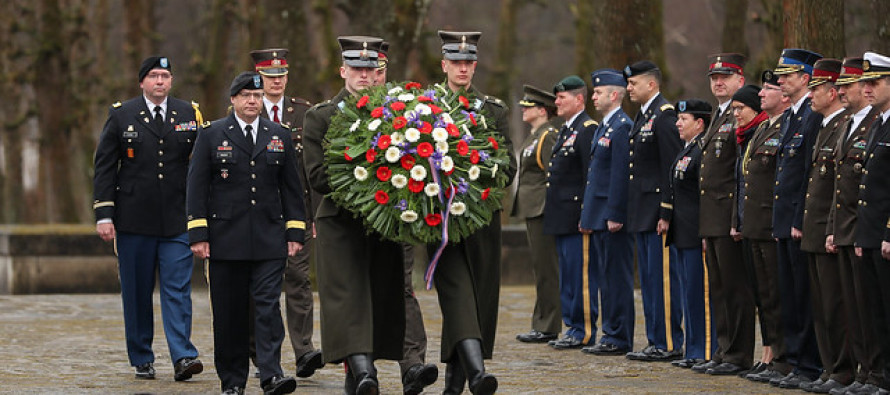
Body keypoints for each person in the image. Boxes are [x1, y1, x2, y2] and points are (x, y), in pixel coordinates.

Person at [187, 72, 303, 395]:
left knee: (268, 308)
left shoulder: (278, 134)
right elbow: (196, 187)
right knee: (229, 312)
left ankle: (271, 374)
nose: (252, 101)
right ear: (234, 100)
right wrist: (198, 232)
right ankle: (233, 380)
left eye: (257, 96)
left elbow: (292, 188)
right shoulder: (211, 135)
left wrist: (295, 231)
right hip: (226, 240)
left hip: (269, 239)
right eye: (245, 96)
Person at [302, 36, 407, 395]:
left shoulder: (397, 113)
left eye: (370, 68)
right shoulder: (321, 116)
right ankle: (363, 372)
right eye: (357, 68)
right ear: (343, 70)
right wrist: (367, 175)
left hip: (385, 222)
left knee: (380, 296)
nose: (364, 74)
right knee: (345, 298)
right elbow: (316, 175)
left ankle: (361, 375)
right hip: (340, 221)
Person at [92, 56, 203, 382]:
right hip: (133, 221)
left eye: (165, 75)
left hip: (176, 219)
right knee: (137, 292)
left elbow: (200, 166)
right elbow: (105, 166)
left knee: (178, 290)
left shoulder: (188, 113)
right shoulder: (121, 114)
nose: (160, 81)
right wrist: (104, 214)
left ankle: (183, 356)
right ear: (142, 82)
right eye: (153, 76)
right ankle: (142, 357)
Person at [433, 30, 516, 395]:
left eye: (469, 63)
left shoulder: (492, 110)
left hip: (481, 216)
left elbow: (509, 166)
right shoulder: (426, 107)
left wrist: (480, 171)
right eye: (457, 62)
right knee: (456, 292)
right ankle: (477, 373)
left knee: (480, 297)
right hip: (441, 218)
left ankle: (455, 384)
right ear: (444, 65)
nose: (463, 68)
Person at [369, 39, 440, 395]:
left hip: (397, 212)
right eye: (367, 69)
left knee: (404, 288)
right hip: (358, 218)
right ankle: (361, 365)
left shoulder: (404, 109)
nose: (374, 76)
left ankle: (413, 364)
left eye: (379, 69)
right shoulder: (339, 110)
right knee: (360, 291)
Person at [249, 48, 324, 379]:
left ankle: (304, 349)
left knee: (298, 279)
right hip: (258, 214)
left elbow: (313, 169)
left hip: (297, 212)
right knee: (259, 285)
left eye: (281, 76)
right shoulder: (246, 109)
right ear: (259, 76)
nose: (276, 81)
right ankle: (258, 350)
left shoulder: (304, 113)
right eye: (269, 76)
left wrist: (315, 215)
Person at [691, 54, 756, 376]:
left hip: (727, 213)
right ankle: (723, 348)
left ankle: (738, 353)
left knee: (735, 287)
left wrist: (735, 219)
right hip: (711, 215)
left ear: (740, 81)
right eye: (714, 77)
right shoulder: (719, 115)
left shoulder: (742, 116)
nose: (718, 82)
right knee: (718, 286)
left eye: (725, 77)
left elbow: (737, 173)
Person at [825, 57, 883, 395]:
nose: (844, 91)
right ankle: (863, 371)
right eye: (843, 86)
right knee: (852, 307)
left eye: (849, 85)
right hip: (846, 228)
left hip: (865, 229)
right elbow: (836, 185)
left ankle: (874, 372)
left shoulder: (873, 123)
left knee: (868, 307)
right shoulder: (848, 124)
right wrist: (833, 226)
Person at [796, 58, 855, 393]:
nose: (811, 96)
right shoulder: (826, 127)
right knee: (821, 305)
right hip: (816, 226)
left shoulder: (843, 124)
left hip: (830, 227)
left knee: (835, 304)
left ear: (832, 92)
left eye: (816, 90)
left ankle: (843, 368)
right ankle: (831, 366)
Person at [622, 60, 684, 362]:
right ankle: (655, 338)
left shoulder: (663, 116)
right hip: (642, 211)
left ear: (652, 84)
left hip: (657, 213)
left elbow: (670, 167)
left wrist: (666, 211)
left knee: (662, 281)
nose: (628, 88)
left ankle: (669, 341)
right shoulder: (643, 117)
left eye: (634, 83)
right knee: (647, 280)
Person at [769, 48, 824, 390]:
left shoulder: (812, 116)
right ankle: (794, 359)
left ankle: (809, 363)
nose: (780, 80)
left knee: (803, 295)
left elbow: (806, 173)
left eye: (787, 75)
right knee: (788, 294)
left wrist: (800, 218)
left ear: (805, 77)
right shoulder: (791, 115)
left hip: (798, 219)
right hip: (783, 218)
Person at [579, 69, 635, 356]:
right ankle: (610, 332)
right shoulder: (605, 126)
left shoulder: (622, 126)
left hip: (611, 216)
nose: (593, 97)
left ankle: (619, 335)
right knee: (604, 276)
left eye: (598, 92)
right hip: (599, 214)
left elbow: (619, 175)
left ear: (614, 95)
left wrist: (615, 213)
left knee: (616, 277)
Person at [742, 70, 793, 384]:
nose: (761, 94)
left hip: (772, 223)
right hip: (754, 224)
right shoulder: (763, 128)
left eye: (768, 89)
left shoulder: (787, 126)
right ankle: (772, 352)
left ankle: (786, 356)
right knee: (764, 295)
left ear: (784, 96)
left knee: (778, 293)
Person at [658, 98, 714, 369]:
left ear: (700, 123)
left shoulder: (703, 149)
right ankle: (692, 349)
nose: (678, 123)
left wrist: (705, 231)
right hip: (682, 232)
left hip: (696, 232)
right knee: (688, 293)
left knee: (700, 294)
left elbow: (705, 196)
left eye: (684, 120)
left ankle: (704, 349)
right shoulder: (687, 149)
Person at [544, 75, 598, 351]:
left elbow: (591, 174)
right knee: (567, 275)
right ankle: (571, 326)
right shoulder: (567, 129)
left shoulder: (587, 129)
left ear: (579, 99)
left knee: (581, 276)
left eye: (561, 98)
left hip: (577, 216)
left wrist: (587, 214)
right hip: (561, 215)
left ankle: (584, 328)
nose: (556, 102)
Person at [852, 50, 890, 395]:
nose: (868, 88)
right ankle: (877, 374)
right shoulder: (877, 124)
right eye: (865, 82)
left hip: (884, 233)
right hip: (869, 232)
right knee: (873, 308)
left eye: (875, 82)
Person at [513, 84, 562, 344]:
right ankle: (541, 321)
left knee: (547, 269)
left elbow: (552, 175)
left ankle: (548, 325)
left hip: (543, 208)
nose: (523, 109)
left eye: (528, 106)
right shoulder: (536, 134)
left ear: (542, 111)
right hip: (533, 208)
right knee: (540, 268)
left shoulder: (548, 135)